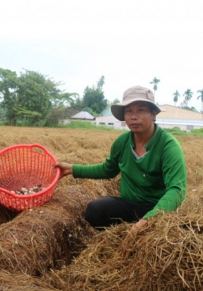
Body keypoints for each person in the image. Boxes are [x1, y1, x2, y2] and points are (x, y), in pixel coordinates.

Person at [54, 86, 187, 234]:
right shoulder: (122, 142)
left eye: (140, 110)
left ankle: (140, 230)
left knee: (155, 235)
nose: (133, 116)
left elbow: (177, 189)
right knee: (95, 210)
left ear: (153, 114)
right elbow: (107, 169)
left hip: (157, 206)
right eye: (129, 111)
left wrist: (148, 220)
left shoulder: (168, 146)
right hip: (128, 204)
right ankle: (120, 235)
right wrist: (72, 169)